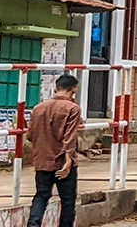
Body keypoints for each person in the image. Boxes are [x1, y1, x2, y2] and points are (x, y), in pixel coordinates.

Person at [26, 74, 83, 227]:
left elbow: (30, 135)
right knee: (68, 200)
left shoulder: (38, 108)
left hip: (43, 160)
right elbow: (69, 137)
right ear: (74, 90)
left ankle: (33, 224)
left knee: (41, 196)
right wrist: (69, 161)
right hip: (63, 161)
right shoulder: (73, 108)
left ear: (56, 88)